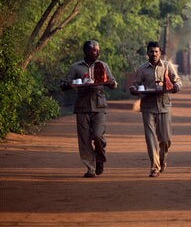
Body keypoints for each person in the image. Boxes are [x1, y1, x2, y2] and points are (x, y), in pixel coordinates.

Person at [61, 40, 118, 178]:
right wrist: (71, 85)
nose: (97, 52)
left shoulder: (103, 65)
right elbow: (63, 84)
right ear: (86, 51)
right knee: (84, 139)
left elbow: (112, 82)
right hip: (82, 106)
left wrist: (111, 83)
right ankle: (90, 168)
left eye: (98, 50)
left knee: (98, 136)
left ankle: (100, 157)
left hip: (99, 105)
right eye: (94, 50)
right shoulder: (76, 67)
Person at [129, 41, 182, 177]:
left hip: (164, 105)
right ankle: (154, 166)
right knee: (150, 138)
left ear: (160, 53)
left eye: (156, 51)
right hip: (147, 106)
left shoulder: (167, 66)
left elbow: (177, 81)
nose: (154, 54)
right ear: (147, 53)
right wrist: (134, 89)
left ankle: (162, 159)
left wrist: (176, 87)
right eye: (151, 51)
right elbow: (136, 85)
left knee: (165, 139)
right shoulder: (142, 69)